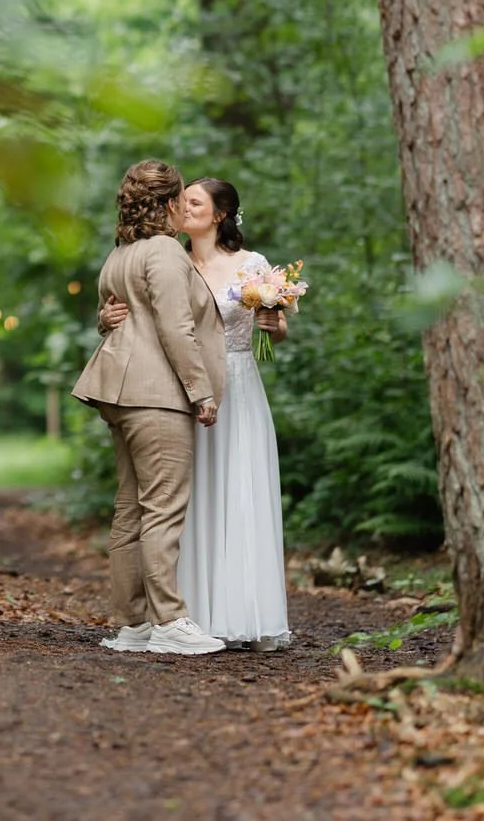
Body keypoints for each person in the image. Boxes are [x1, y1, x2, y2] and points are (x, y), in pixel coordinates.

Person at [99, 177, 292, 649]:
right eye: (181, 201)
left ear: (220, 214)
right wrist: (104, 318)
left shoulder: (251, 265)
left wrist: (273, 323)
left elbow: (276, 329)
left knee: (238, 490)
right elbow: (140, 315)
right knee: (178, 501)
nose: (183, 207)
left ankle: (241, 612)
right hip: (178, 389)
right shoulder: (167, 256)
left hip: (238, 387)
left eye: (195, 202)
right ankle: (185, 613)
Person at [70, 158, 227, 656]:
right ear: (170, 202)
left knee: (131, 509)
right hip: (156, 395)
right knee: (162, 509)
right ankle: (169, 622)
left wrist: (103, 319)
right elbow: (175, 327)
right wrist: (201, 390)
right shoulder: (163, 251)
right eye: (181, 198)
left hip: (121, 393)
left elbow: (116, 316)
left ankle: (133, 623)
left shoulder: (121, 254)